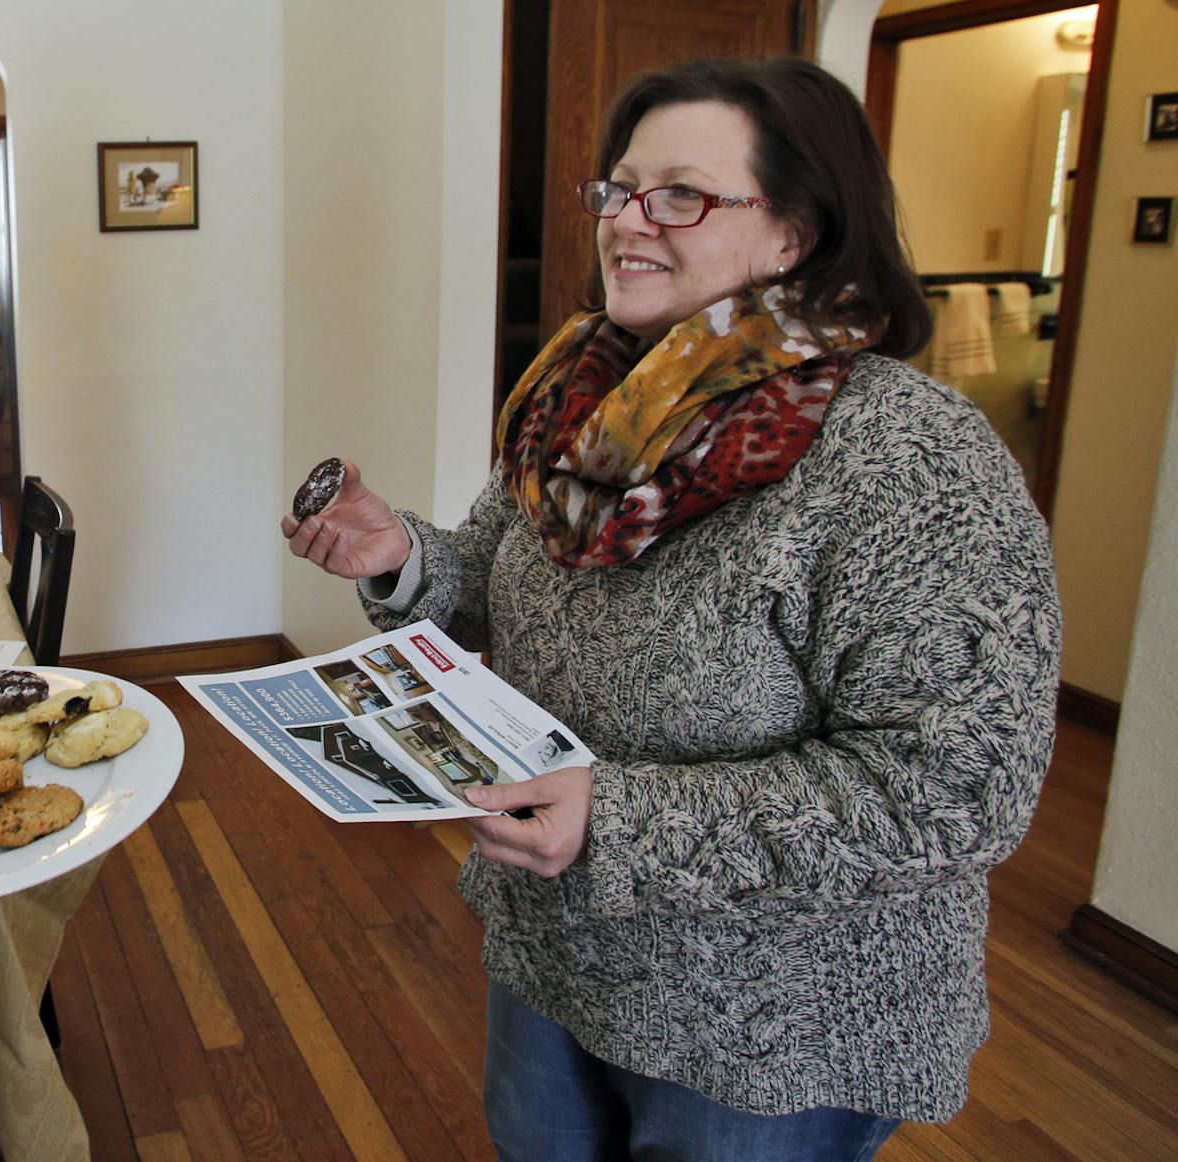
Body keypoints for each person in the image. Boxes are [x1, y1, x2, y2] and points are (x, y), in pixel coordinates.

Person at [283, 58, 1058, 1161]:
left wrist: (618, 820)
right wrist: (404, 557)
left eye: (681, 195)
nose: (628, 222)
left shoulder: (906, 456)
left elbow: (957, 787)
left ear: (794, 231)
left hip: (771, 1030)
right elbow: (499, 580)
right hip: (556, 955)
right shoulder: (582, 401)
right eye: (620, 189)